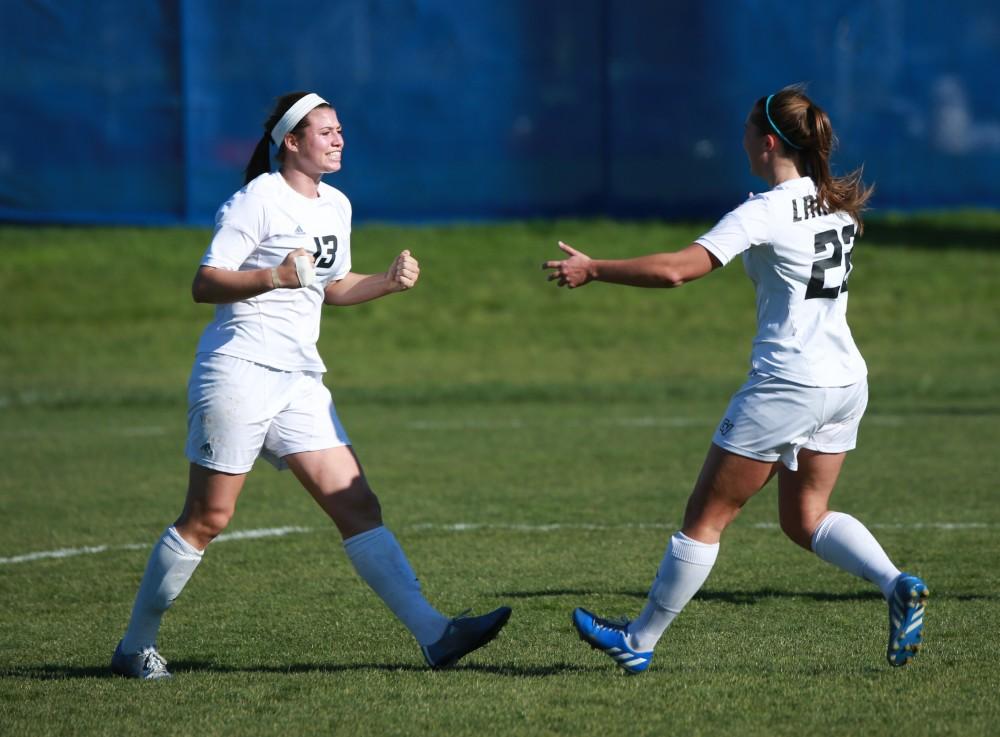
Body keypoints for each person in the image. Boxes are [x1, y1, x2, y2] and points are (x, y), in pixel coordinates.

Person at [111, 91, 511, 679]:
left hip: (299, 379)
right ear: (291, 143)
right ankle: (133, 649)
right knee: (208, 518)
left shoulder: (337, 205)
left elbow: (333, 284)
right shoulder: (257, 200)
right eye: (325, 131)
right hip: (240, 371)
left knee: (357, 504)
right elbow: (204, 283)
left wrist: (388, 282)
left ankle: (436, 636)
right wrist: (273, 274)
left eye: (340, 130)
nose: (338, 139)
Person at [543, 85, 927, 672]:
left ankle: (638, 641)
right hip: (846, 381)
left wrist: (594, 268)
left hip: (788, 385)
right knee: (807, 519)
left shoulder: (767, 209)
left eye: (748, 132)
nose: (742, 141)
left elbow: (676, 271)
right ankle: (896, 583)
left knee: (705, 519)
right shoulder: (837, 203)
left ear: (767, 141)